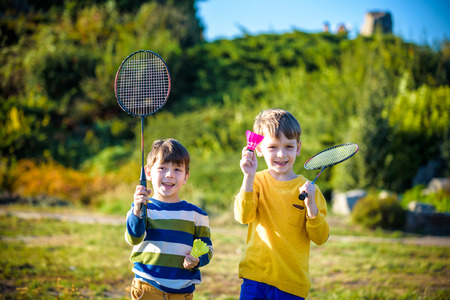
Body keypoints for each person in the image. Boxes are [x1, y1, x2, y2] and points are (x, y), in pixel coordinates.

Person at [235, 109, 329, 299]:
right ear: (259, 149)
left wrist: (312, 208)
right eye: (272, 147)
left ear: (298, 148)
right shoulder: (257, 181)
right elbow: (243, 216)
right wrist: (248, 177)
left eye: (288, 146)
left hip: (291, 284)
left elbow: (320, 237)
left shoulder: (309, 190)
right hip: (255, 278)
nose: (281, 154)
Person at [125, 138, 214, 300]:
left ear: (186, 176)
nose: (169, 175)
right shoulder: (142, 208)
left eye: (177, 170)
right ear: (149, 173)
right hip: (147, 286)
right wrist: (137, 211)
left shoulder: (197, 215)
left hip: (182, 291)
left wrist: (197, 260)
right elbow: (134, 238)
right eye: (162, 168)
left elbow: (208, 248)